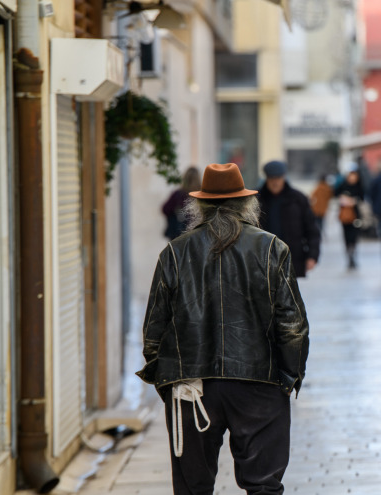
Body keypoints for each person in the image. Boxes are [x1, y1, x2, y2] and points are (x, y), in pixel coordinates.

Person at [136, 163, 309, 495]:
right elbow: (292, 325)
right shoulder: (273, 248)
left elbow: (154, 329)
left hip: (193, 387)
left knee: (192, 488)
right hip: (260, 382)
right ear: (247, 204)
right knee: (263, 487)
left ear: (198, 205)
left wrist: (167, 382)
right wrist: (288, 379)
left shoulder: (175, 251)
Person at [257, 160, 321, 277]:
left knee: (288, 293)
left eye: (278, 178)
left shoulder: (298, 199)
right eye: (272, 178)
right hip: (262, 258)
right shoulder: (256, 199)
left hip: (291, 256)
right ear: (267, 178)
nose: (275, 182)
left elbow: (312, 230)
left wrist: (312, 255)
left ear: (284, 177)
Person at [335, 168, 365, 270]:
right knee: (346, 236)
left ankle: (353, 254)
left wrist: (354, 201)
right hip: (345, 216)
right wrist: (343, 199)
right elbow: (335, 194)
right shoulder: (343, 185)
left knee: (354, 236)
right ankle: (349, 256)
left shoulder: (359, 186)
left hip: (356, 216)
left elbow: (362, 197)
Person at [162, 166, 202, 240]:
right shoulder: (202, 196)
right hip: (197, 236)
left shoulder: (178, 195)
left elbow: (165, 209)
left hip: (178, 237)